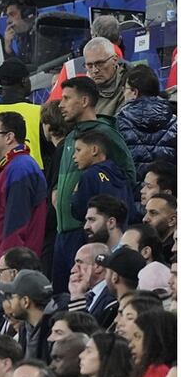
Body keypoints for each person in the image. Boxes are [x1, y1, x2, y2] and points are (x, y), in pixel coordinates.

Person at [53, 76, 135, 294]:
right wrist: (57, 191)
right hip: (62, 230)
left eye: (67, 98)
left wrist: (92, 196)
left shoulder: (105, 133)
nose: (60, 105)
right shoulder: (71, 137)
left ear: (84, 101)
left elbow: (127, 175)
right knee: (63, 294)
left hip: (85, 231)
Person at [0, 111, 48, 264]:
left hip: (11, 266)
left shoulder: (20, 168)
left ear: (9, 137)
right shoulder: (9, 167)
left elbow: (16, 225)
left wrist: (8, 267)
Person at [117, 64, 176, 178]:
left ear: (134, 92)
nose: (123, 94)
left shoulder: (118, 121)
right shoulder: (175, 121)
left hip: (131, 187)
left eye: (125, 89)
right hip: (166, 187)